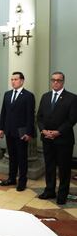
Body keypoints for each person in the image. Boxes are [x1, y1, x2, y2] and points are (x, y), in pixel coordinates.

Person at [37, 71, 77, 205]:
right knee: (49, 167)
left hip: (63, 140)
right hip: (47, 139)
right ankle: (49, 191)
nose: (55, 82)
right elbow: (39, 117)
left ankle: (62, 194)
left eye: (58, 80)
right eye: (53, 80)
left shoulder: (72, 98)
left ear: (63, 82)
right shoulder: (45, 96)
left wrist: (57, 132)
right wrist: (43, 130)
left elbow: (72, 119)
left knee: (64, 169)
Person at [0, 72, 35, 191]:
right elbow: (3, 112)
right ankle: (11, 178)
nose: (13, 81)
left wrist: (29, 133)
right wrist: (1, 128)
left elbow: (30, 116)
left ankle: (22, 182)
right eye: (12, 79)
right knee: (12, 157)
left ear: (22, 81)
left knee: (22, 158)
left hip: (22, 132)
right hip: (9, 131)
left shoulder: (28, 96)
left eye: (16, 79)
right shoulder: (7, 94)